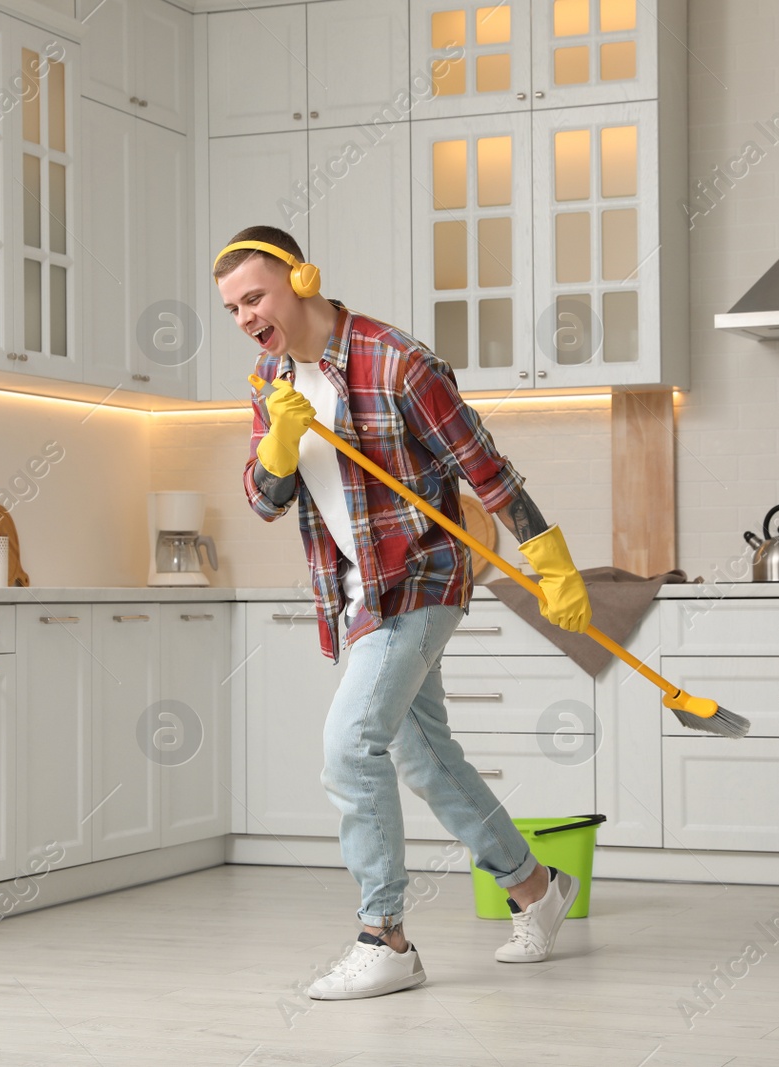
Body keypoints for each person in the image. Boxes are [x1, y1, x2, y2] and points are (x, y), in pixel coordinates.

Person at [215, 225, 594, 1001]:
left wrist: (547, 556)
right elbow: (260, 500)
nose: (247, 317)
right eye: (231, 308)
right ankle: (535, 888)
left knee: (350, 745)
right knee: (422, 756)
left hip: (419, 576)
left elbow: (484, 468)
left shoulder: (396, 361)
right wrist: (276, 448)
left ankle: (383, 936)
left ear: (301, 277)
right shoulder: (270, 378)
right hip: (354, 594)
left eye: (254, 296)